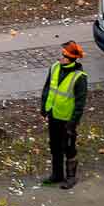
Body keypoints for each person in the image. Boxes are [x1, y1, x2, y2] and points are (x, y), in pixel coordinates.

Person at [39, 41, 88, 189]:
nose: (60, 58)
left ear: (70, 59)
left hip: (67, 119)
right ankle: (57, 175)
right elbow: (47, 88)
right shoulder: (54, 67)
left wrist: (73, 123)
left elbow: (80, 103)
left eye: (63, 55)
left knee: (69, 147)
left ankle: (71, 177)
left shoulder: (79, 77)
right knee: (54, 145)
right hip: (53, 115)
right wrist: (44, 108)